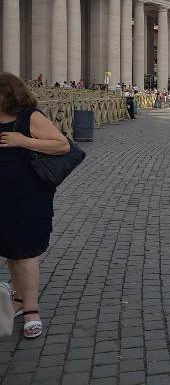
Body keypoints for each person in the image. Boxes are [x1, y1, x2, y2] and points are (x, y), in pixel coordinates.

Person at [0, 72, 71, 339]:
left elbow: (62, 146)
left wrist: (22, 140)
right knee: (11, 250)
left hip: (28, 196)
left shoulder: (29, 117)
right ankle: (18, 300)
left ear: (8, 94)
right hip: (3, 196)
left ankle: (31, 309)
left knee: (26, 252)